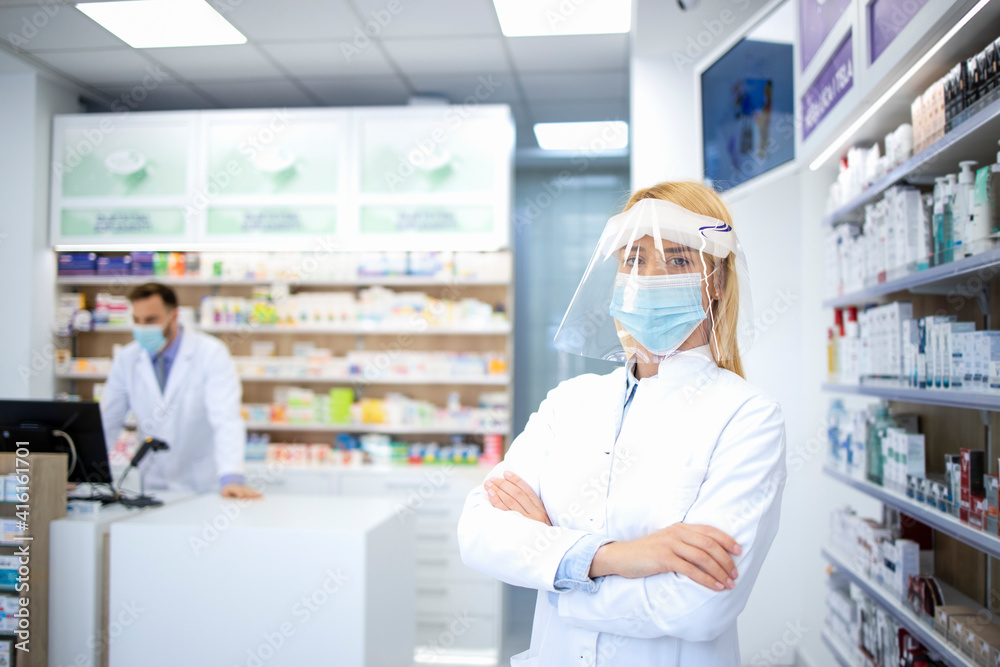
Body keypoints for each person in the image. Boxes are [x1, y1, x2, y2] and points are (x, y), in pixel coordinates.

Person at [457, 182, 786, 666]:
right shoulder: (568, 403)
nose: (649, 277)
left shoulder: (747, 417)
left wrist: (557, 576)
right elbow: (480, 534)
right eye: (633, 260)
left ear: (715, 282)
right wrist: (615, 558)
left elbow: (699, 606)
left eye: (677, 261)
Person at [100, 283, 260, 499]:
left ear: (173, 316)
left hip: (202, 484)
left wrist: (231, 477)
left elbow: (226, 418)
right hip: (151, 482)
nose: (142, 328)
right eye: (137, 321)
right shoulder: (127, 358)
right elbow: (108, 420)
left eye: (151, 320)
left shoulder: (210, 353)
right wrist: (81, 474)